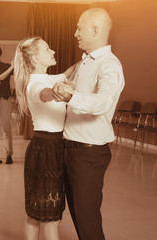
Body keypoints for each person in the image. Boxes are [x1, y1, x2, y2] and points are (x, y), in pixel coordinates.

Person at [52, 8, 125, 240]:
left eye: (79, 28)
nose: (75, 33)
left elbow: (103, 102)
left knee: (88, 222)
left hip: (89, 155)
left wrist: (70, 97)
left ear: (95, 30)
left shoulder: (109, 65)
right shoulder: (85, 63)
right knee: (80, 219)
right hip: (72, 150)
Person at [14, 37, 75, 240]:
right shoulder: (35, 84)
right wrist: (55, 92)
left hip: (49, 148)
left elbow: (68, 72)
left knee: (36, 215)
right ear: (34, 58)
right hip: (47, 151)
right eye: (47, 49)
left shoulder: (48, 77)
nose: (53, 51)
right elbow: (45, 94)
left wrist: (88, 58)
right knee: (48, 220)